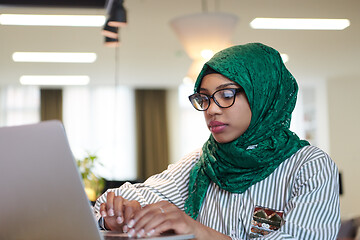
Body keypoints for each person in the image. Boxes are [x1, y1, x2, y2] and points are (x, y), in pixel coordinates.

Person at [94, 43, 340, 239]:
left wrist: (198, 231)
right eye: (204, 99)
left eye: (225, 94)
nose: (211, 110)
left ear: (262, 94)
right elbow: (118, 200)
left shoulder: (310, 166)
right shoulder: (203, 163)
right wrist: (118, 215)